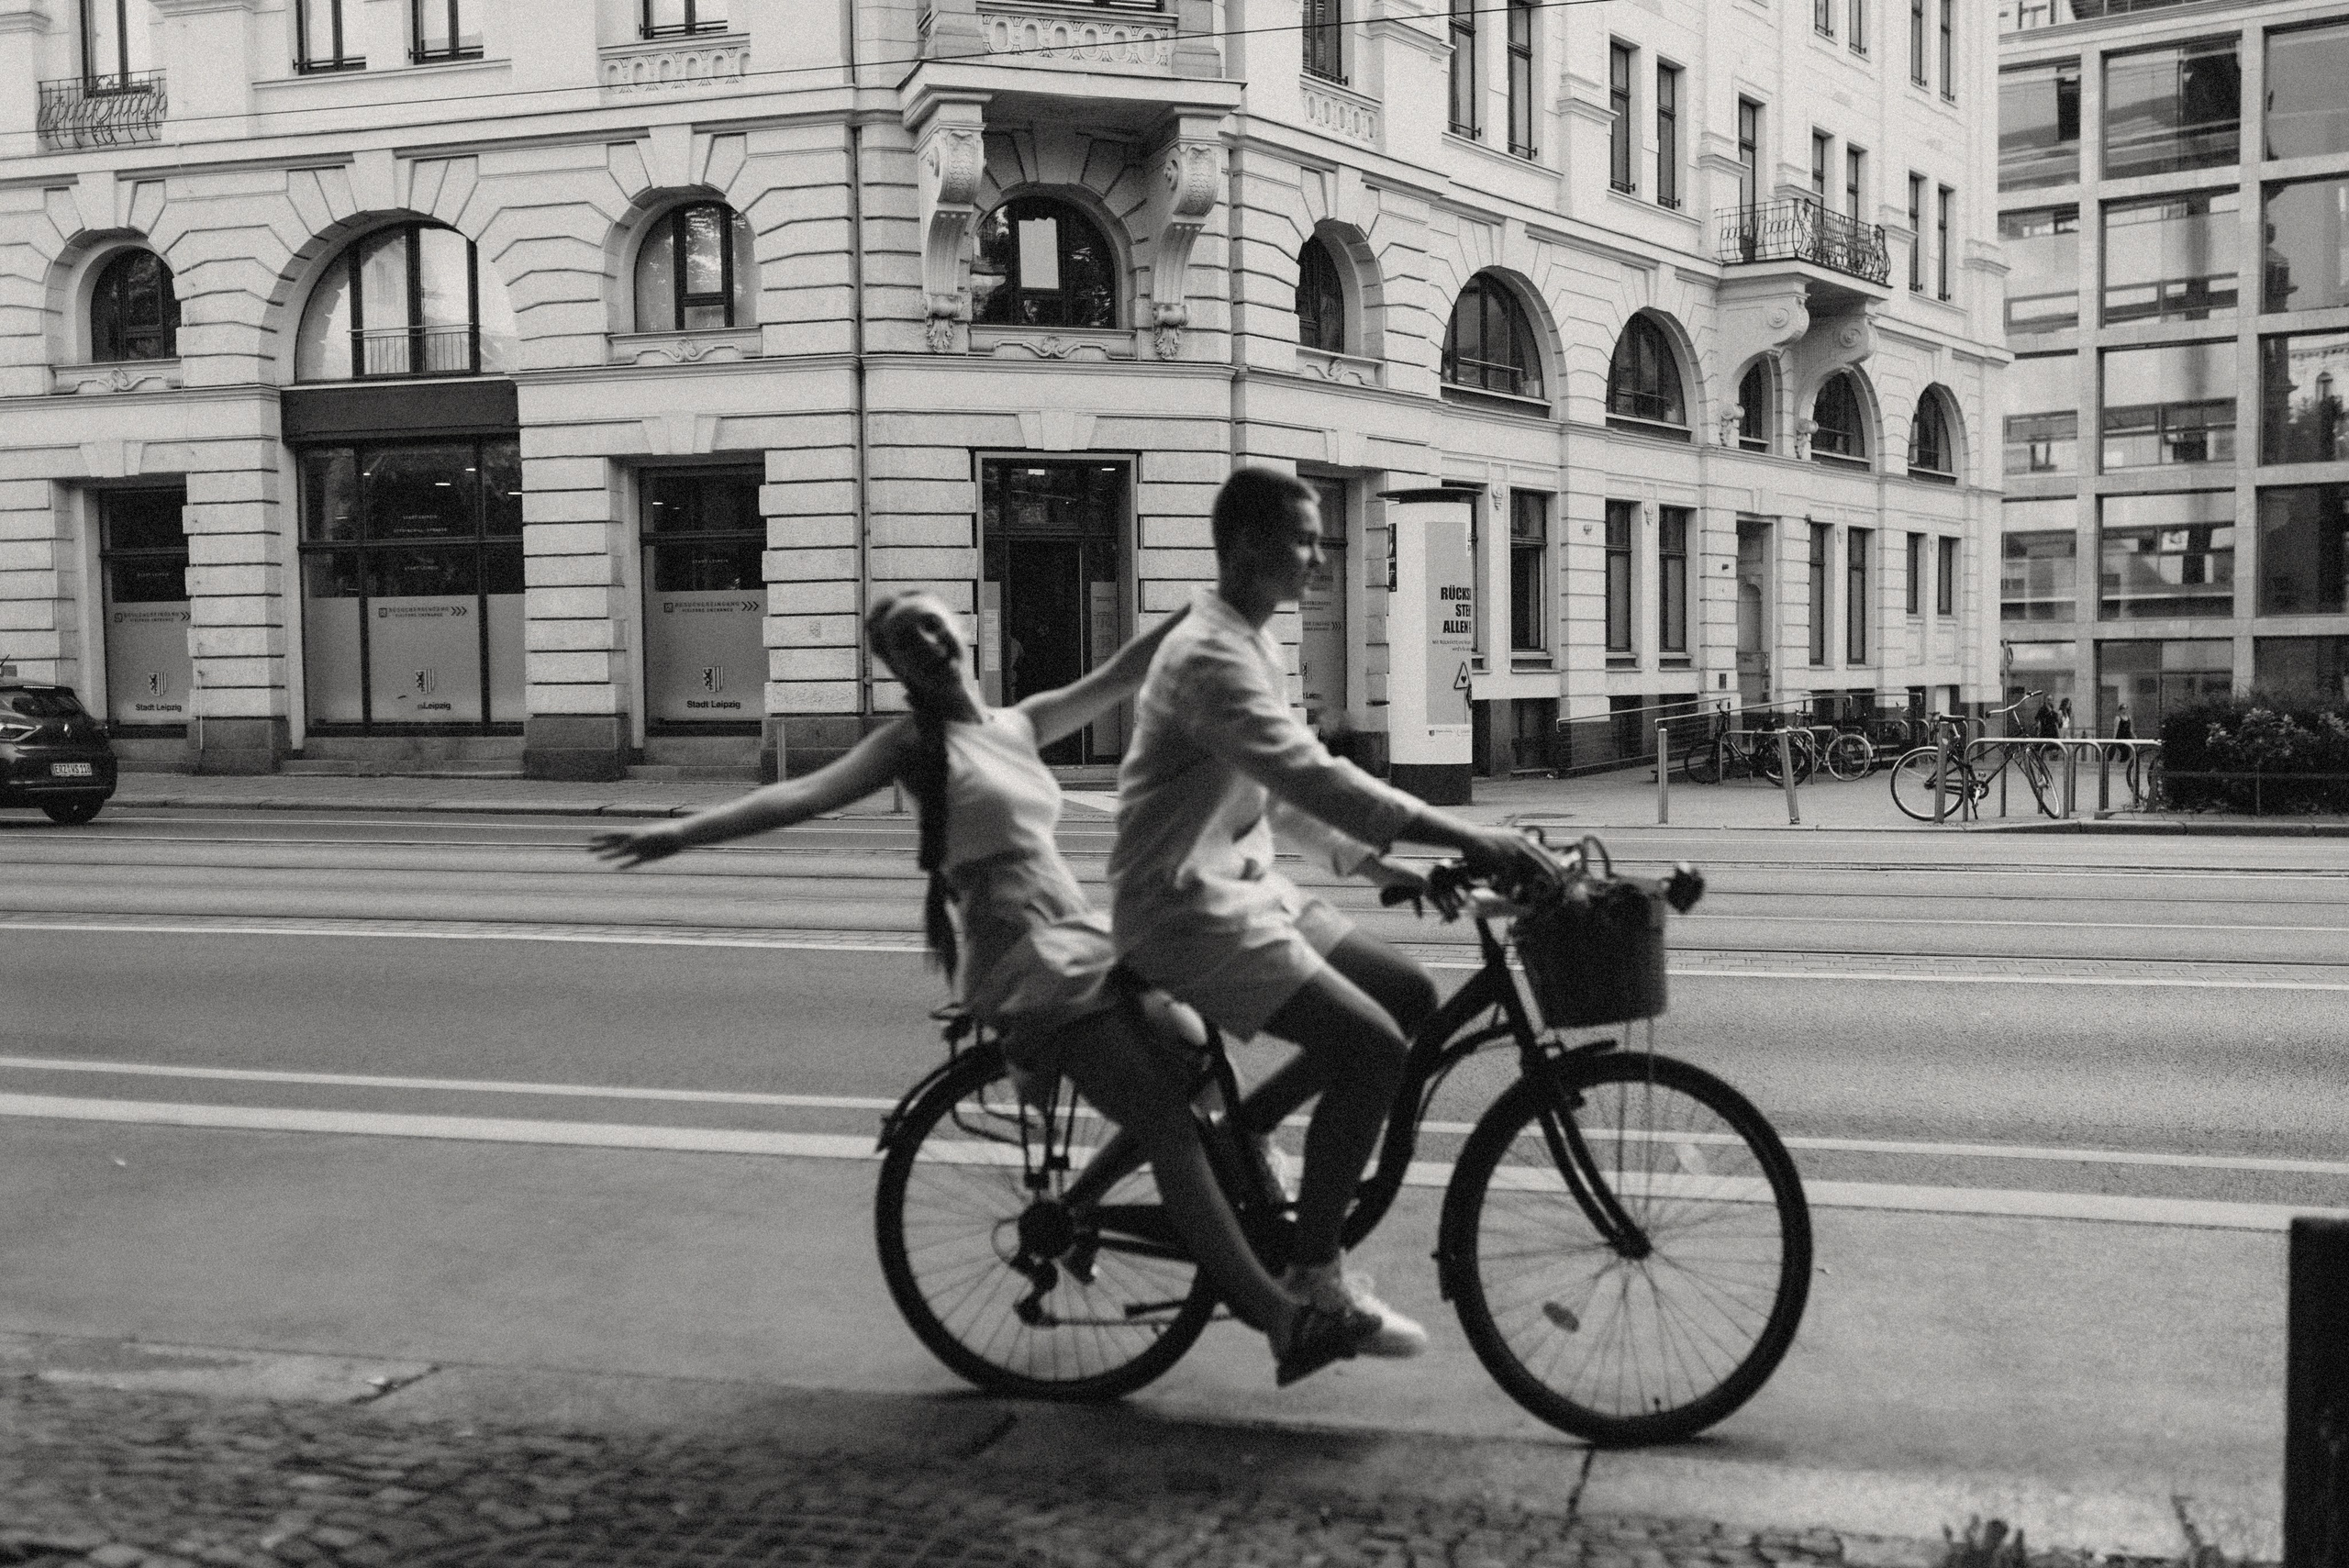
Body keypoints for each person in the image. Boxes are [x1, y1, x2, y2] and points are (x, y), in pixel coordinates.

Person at [588, 593, 1379, 1386]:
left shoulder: (1020, 723)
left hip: (1081, 933)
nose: (928, 642)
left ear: (961, 628)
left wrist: (1212, 608)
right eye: (906, 641)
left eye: (933, 624)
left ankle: (1093, 1215)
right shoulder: (910, 744)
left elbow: (1121, 671)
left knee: (1203, 1069)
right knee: (1170, 1126)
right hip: (1027, 957)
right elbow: (801, 795)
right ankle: (1282, 1320)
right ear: (894, 668)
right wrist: (679, 832)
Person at [1099, 466, 1558, 1357]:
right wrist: (1469, 837)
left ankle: (1245, 1132)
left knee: (1409, 996)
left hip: (1243, 889)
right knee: (1371, 1046)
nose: (1318, 556)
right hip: (1182, 908)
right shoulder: (1208, 656)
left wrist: (1386, 867)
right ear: (1243, 544)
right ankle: (1312, 1281)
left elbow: (1283, 788)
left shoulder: (1253, 642)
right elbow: (1317, 777)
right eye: (1304, 539)